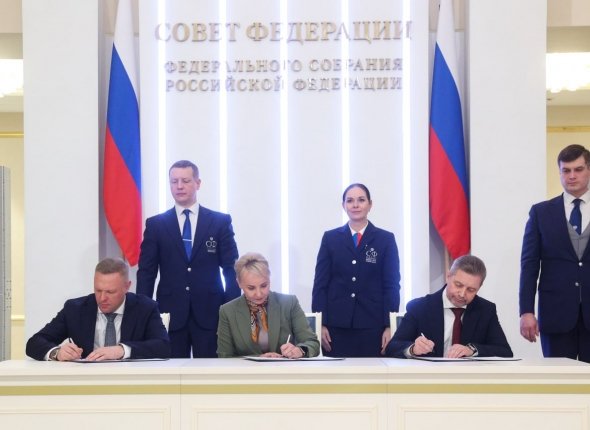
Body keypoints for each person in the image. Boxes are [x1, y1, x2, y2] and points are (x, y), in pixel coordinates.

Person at [137, 160, 240, 358]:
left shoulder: (219, 222)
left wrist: (231, 309)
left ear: (197, 183)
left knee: (210, 370)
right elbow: (147, 272)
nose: (179, 186)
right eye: (174, 181)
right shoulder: (156, 225)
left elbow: (231, 269)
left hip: (210, 312)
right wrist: (143, 312)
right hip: (170, 312)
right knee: (171, 370)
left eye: (185, 181)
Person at [311, 183, 400, 357]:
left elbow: (392, 286)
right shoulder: (330, 238)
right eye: (350, 200)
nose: (355, 205)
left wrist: (390, 325)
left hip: (373, 325)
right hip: (335, 326)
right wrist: (320, 323)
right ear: (343, 205)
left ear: (370, 204)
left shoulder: (385, 239)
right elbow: (320, 284)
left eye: (361, 200)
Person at [520, 144, 590, 362]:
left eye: (578, 169)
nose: (572, 176)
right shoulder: (541, 212)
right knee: (558, 378)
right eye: (565, 170)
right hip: (556, 315)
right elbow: (529, 265)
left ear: (588, 170)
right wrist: (526, 311)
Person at [26, 257, 170, 361]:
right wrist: (57, 353)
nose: (102, 298)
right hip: (87, 384)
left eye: (110, 292)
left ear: (127, 286)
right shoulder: (75, 309)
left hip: (131, 382)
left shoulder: (145, 308)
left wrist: (121, 350)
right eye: (98, 290)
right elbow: (34, 343)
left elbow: (163, 346)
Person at [386, 255, 512, 358]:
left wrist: (472, 350)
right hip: (429, 377)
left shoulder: (486, 310)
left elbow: (505, 351)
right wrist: (413, 349)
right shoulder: (420, 307)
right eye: (458, 285)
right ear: (448, 277)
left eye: (471, 290)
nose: (462, 294)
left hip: (468, 378)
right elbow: (392, 347)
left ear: (479, 288)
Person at [217, 252, 320, 358]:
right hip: (247, 369)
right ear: (239, 283)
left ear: (269, 279)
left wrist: (300, 350)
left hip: (285, 368)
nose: (259, 294)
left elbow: (312, 343)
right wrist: (259, 358)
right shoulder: (227, 311)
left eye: (264, 285)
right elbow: (224, 356)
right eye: (251, 288)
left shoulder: (289, 303)